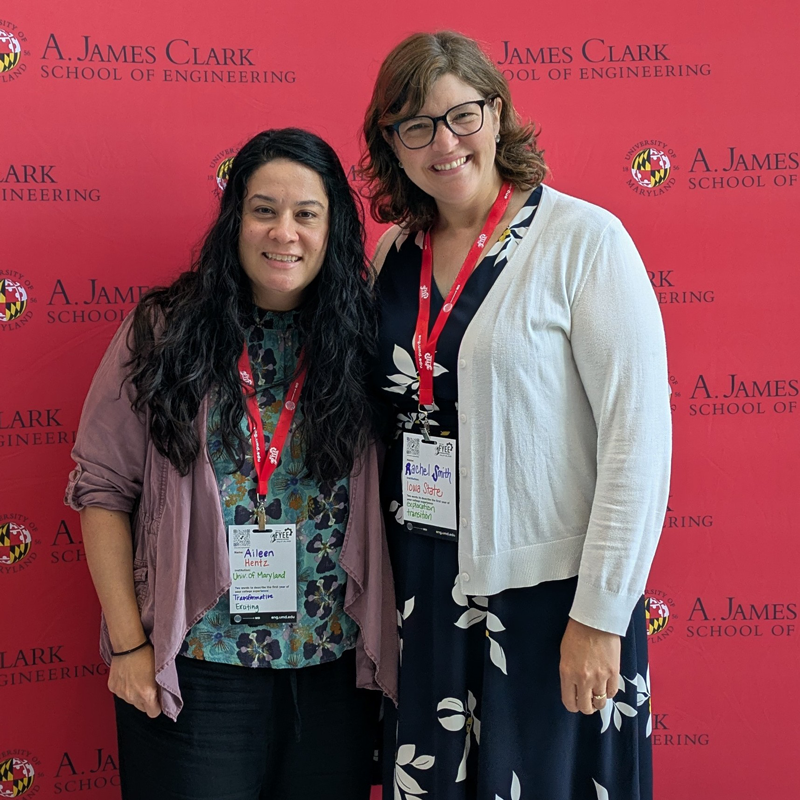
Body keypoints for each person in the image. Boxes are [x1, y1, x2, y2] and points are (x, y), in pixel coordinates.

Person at [361, 31, 671, 800]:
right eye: (415, 126)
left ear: (496, 115)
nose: (444, 142)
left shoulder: (584, 242)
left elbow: (637, 441)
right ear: (392, 146)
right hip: (424, 592)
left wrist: (601, 615)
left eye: (460, 116)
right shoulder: (391, 256)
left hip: (551, 601)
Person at [65, 128, 398, 800]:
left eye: (307, 213)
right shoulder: (161, 331)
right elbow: (101, 491)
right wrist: (130, 649)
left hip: (331, 672)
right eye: (264, 209)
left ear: (333, 226)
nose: (285, 232)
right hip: (196, 670)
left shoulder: (364, 340)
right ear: (235, 221)